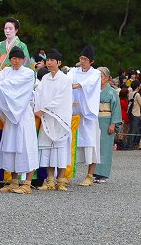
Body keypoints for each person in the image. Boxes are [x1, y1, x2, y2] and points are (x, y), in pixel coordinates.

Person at [0, 47, 38, 194]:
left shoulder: (28, 73)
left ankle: (28, 183)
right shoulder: (5, 71)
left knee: (26, 146)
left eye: (19, 58)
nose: (16, 61)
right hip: (11, 115)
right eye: (13, 58)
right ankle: (14, 181)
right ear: (10, 60)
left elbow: (11, 85)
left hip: (23, 114)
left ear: (23, 60)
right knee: (11, 147)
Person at [33, 49, 72, 191]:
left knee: (60, 149)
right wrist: (38, 108)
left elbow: (61, 99)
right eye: (47, 60)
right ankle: (50, 180)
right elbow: (39, 95)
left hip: (59, 118)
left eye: (52, 60)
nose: (49, 63)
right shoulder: (45, 78)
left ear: (59, 63)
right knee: (47, 149)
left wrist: (43, 109)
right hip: (47, 118)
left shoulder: (65, 79)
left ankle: (61, 180)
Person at [70, 44, 102, 186]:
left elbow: (89, 83)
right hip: (74, 112)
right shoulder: (73, 71)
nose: (82, 61)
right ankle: (66, 173)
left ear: (91, 61)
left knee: (91, 142)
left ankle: (89, 175)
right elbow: (67, 79)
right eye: (81, 58)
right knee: (72, 142)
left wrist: (78, 85)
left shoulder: (95, 74)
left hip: (88, 114)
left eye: (85, 59)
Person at [94, 67, 122, 183]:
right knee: (95, 147)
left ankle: (103, 174)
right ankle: (94, 172)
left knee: (105, 148)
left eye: (100, 76)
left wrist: (113, 124)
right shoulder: (93, 90)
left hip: (106, 120)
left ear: (106, 78)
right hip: (95, 120)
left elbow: (116, 109)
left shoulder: (112, 92)